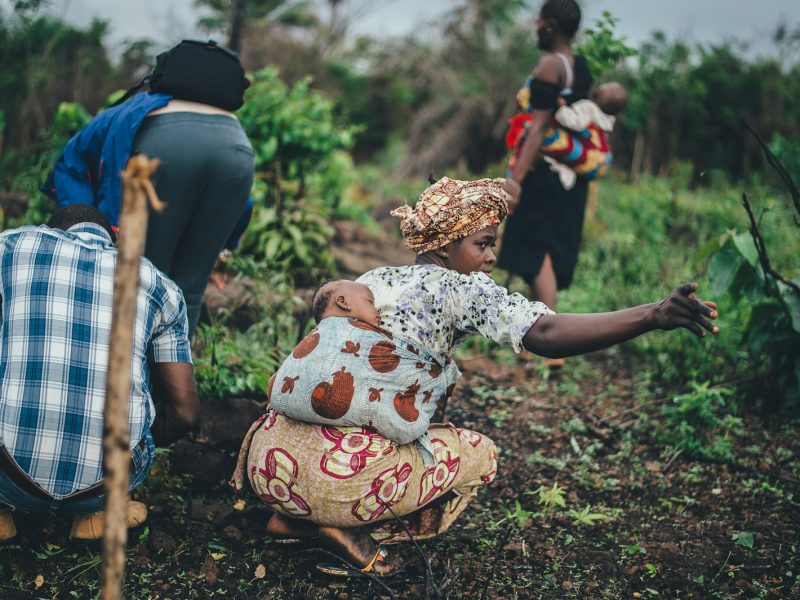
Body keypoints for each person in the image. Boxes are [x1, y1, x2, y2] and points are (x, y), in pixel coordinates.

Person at [232, 176, 719, 576]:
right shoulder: (460, 289)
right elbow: (545, 333)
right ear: (444, 247)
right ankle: (349, 530)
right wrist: (651, 315)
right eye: (482, 244)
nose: (489, 258)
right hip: (340, 482)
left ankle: (291, 521)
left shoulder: (368, 282)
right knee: (479, 454)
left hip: (269, 464)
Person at [0, 205, 199, 541]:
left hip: (6, 475)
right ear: (115, 241)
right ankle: (96, 514)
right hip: (104, 484)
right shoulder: (158, 285)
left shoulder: (11, 249)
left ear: (51, 230)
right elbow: (184, 413)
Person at [43, 42, 255, 336]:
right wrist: (225, 242)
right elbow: (243, 203)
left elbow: (68, 166)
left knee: (141, 278)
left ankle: (126, 374)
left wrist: (92, 228)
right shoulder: (229, 122)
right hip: (237, 152)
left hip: (166, 145)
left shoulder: (127, 110)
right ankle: (173, 378)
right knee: (188, 289)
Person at [267, 279, 459, 462]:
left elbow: (277, 381)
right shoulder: (368, 338)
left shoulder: (314, 337)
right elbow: (417, 371)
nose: (378, 311)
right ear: (343, 302)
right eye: (370, 302)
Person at [499, 0, 592, 369]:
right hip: (570, 177)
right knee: (547, 252)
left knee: (537, 251)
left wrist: (515, 181)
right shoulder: (580, 66)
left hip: (544, 175)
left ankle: (551, 339)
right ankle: (542, 332)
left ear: (550, 26)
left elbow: (537, 128)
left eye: (539, 21)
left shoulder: (551, 65)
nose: (535, 26)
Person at [516, 82, 628, 190]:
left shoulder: (588, 108)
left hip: (586, 157)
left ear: (597, 94)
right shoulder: (607, 119)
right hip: (598, 161)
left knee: (549, 136)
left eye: (603, 87)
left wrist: (561, 108)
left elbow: (574, 122)